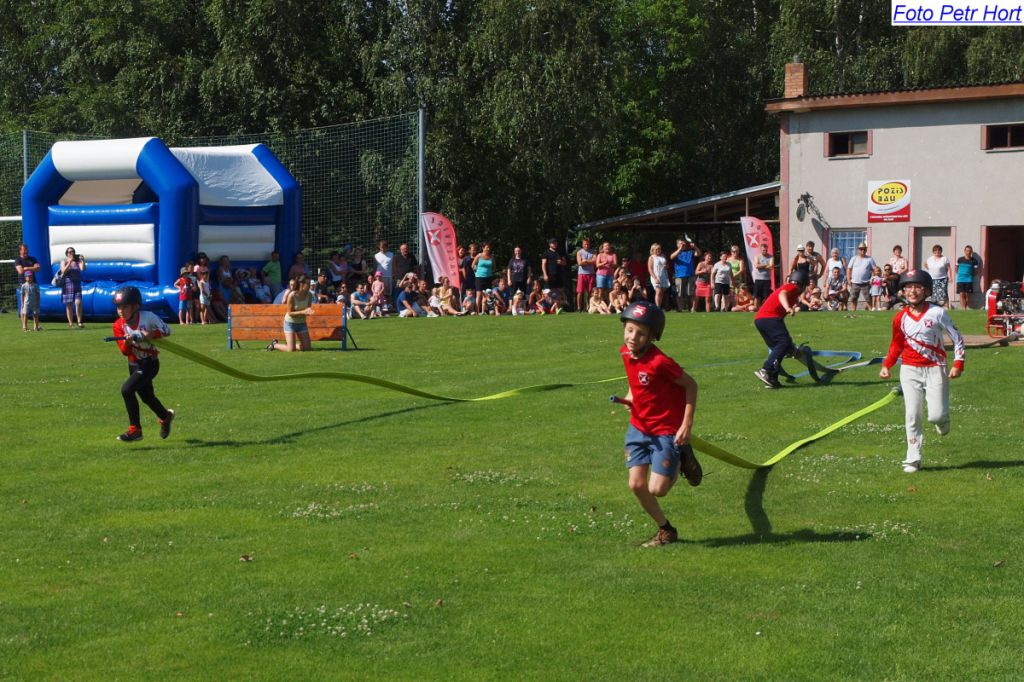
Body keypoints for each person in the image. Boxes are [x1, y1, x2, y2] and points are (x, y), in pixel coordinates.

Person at [617, 302, 700, 547]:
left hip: (664, 431)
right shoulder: (625, 352)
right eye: (630, 330)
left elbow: (691, 385)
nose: (633, 337)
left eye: (641, 333)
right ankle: (666, 529)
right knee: (636, 484)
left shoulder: (660, 362)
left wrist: (687, 424)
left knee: (658, 489)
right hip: (638, 427)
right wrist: (631, 394)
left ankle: (681, 455)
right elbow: (634, 377)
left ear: (652, 337)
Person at [879, 269, 965, 473]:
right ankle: (913, 457)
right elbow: (896, 344)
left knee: (936, 415)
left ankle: (942, 420)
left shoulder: (937, 313)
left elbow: (957, 338)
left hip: (936, 368)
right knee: (912, 414)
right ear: (903, 291)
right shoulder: (899, 317)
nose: (912, 291)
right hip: (909, 369)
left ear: (926, 291)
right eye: (908, 287)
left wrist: (958, 363)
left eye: (917, 287)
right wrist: (887, 365)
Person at [110, 286, 175, 442]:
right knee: (147, 397)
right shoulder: (118, 325)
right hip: (134, 364)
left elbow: (167, 330)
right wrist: (127, 344)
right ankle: (165, 417)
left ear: (136, 306)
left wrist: (151, 334)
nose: (121, 311)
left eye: (125, 307)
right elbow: (125, 352)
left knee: (127, 390)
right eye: (118, 307)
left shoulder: (148, 317)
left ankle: (135, 430)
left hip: (150, 363)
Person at [754, 270, 809, 388]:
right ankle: (765, 370)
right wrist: (788, 307)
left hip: (761, 320)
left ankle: (772, 378)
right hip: (769, 318)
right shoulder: (792, 287)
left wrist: (791, 347)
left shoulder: (793, 294)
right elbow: (782, 294)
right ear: (802, 284)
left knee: (780, 347)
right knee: (783, 343)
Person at [267, 276, 315, 352]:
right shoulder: (292, 295)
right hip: (290, 323)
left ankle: (291, 345)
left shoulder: (309, 295)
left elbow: (307, 309)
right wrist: (303, 312)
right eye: (308, 284)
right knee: (291, 350)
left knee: (307, 348)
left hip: (302, 323)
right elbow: (290, 313)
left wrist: (309, 312)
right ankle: (274, 345)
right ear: (301, 284)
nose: (310, 285)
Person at [58, 246, 86, 328]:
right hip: (67, 285)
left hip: (77, 284)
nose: (71, 253)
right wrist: (69, 262)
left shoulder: (77, 262)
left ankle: (79, 322)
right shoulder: (64, 261)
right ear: (66, 254)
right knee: (69, 304)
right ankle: (70, 323)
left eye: (72, 251)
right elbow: (63, 271)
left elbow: (83, 269)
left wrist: (83, 261)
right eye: (69, 252)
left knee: (78, 302)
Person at [670, 237, 699, 312]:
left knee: (691, 293)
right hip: (679, 275)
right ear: (677, 245)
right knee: (679, 293)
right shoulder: (676, 252)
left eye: (684, 243)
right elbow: (671, 257)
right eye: (680, 243)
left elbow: (698, 254)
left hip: (690, 275)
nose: (683, 245)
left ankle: (693, 308)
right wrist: (680, 249)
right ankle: (680, 309)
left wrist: (695, 247)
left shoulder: (690, 251)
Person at [846, 242, 876, 311]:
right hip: (855, 282)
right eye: (861, 249)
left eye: (864, 249)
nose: (863, 250)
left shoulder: (870, 259)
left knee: (868, 298)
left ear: (866, 250)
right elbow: (849, 269)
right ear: (858, 250)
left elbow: (875, 269)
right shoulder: (854, 258)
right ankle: (853, 311)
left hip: (866, 282)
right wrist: (848, 279)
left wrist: (872, 279)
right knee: (853, 298)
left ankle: (871, 311)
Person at [541, 239, 568, 309]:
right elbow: (543, 264)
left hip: (558, 275)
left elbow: (565, 263)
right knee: (547, 292)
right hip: (549, 276)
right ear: (549, 244)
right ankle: (548, 307)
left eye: (555, 243)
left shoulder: (560, 252)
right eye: (553, 243)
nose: (555, 244)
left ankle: (557, 308)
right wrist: (545, 274)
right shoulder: (546, 253)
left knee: (559, 292)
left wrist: (561, 262)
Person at [575, 238, 597, 312]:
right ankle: (579, 308)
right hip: (582, 274)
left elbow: (595, 261)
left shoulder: (593, 252)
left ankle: (588, 307)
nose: (586, 245)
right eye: (585, 244)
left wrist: (585, 261)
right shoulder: (579, 252)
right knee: (580, 291)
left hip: (591, 274)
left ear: (589, 244)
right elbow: (580, 263)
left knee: (590, 292)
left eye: (588, 244)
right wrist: (589, 262)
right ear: (582, 244)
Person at [473, 243, 496, 313]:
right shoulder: (479, 256)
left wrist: (490, 272)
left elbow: (494, 267)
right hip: (479, 278)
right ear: (483, 248)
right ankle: (477, 311)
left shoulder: (492, 257)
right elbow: (473, 265)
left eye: (489, 247)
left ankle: (486, 311)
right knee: (479, 295)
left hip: (488, 278)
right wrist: (475, 271)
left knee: (488, 295)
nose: (488, 249)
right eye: (487, 247)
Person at [955, 245, 980, 309]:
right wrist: (960, 274)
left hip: (969, 280)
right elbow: (956, 268)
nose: (968, 252)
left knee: (967, 295)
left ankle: (965, 308)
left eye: (969, 251)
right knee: (961, 294)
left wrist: (970, 276)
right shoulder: (960, 259)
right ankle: (963, 308)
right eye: (967, 251)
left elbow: (976, 271)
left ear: (971, 252)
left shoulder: (974, 261)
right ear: (964, 251)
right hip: (960, 280)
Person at [647, 243, 670, 309]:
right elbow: (650, 269)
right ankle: (657, 307)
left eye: (659, 249)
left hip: (663, 275)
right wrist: (655, 278)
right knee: (658, 291)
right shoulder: (651, 257)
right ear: (653, 250)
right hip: (655, 276)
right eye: (656, 249)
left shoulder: (663, 256)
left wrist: (666, 266)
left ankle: (659, 306)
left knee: (662, 292)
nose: (658, 250)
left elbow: (667, 265)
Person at [752, 243, 773, 308]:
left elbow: (771, 266)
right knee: (757, 296)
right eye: (763, 250)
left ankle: (765, 308)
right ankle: (755, 308)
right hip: (758, 279)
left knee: (766, 296)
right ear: (760, 250)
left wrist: (761, 265)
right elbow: (756, 266)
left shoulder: (771, 257)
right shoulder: (757, 256)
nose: (765, 251)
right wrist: (766, 265)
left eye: (766, 250)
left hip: (767, 279)